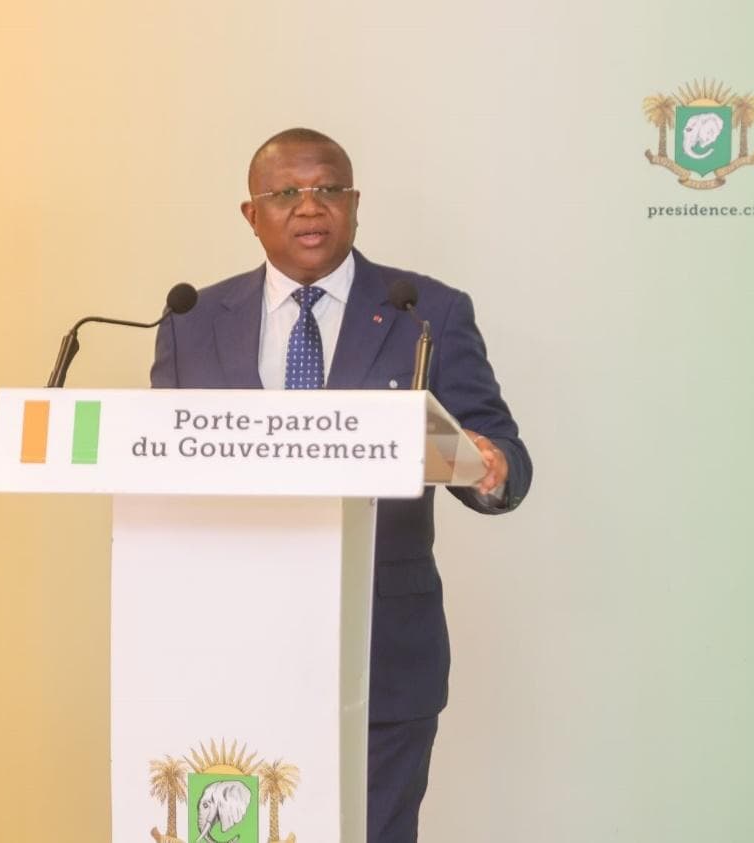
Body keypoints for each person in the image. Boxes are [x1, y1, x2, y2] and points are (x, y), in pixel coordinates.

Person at [151, 128, 531, 843]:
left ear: (354, 204)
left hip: (383, 650)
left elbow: (499, 451)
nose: (309, 206)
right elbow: (163, 470)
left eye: (328, 189)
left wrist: (492, 466)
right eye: (285, 193)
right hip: (231, 644)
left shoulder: (428, 312)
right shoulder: (191, 320)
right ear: (251, 213)